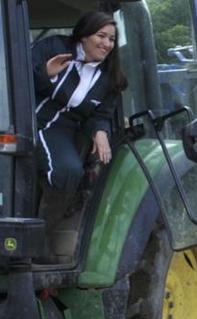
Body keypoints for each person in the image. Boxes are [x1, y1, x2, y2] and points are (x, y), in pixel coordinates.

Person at [31, 11, 128, 194]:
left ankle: (51, 221)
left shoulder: (110, 77)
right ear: (84, 35)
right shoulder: (54, 47)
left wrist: (100, 130)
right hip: (27, 121)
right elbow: (18, 80)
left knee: (69, 172)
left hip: (60, 129)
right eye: (101, 36)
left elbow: (101, 114)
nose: (107, 44)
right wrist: (45, 73)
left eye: (112, 39)